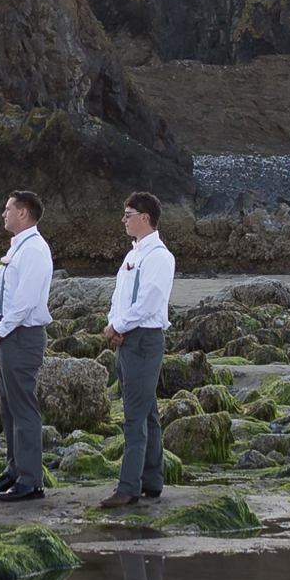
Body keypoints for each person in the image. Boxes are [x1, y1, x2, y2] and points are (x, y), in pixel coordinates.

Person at [98, 190, 175, 511]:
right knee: (148, 414)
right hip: (129, 338)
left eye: (128, 214)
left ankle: (128, 487)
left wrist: (119, 326)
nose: (123, 220)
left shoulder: (159, 256)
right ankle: (152, 481)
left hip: (144, 339)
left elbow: (149, 302)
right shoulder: (133, 255)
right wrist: (113, 324)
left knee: (134, 416)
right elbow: (121, 298)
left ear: (145, 217)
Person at [0, 188, 52, 501]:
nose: (3, 213)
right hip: (9, 334)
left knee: (23, 407)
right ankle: (14, 471)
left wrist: (2, 328)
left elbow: (24, 300)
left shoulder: (35, 249)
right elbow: (4, 293)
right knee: (8, 407)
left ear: (22, 212)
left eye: (8, 208)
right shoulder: (17, 248)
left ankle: (31, 480)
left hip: (22, 336)